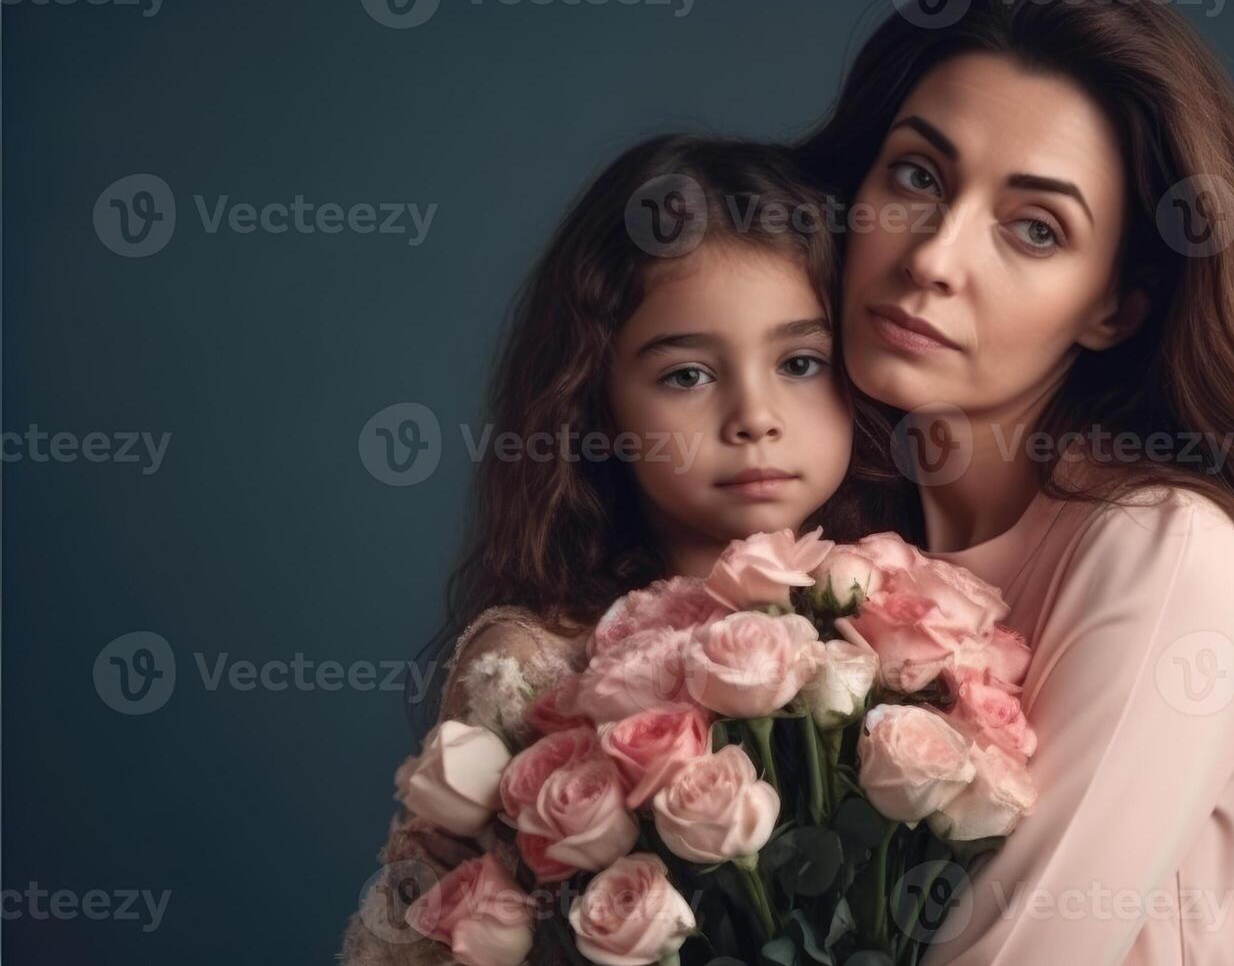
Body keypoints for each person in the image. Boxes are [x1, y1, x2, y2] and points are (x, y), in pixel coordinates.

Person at [794, 0, 1234, 962]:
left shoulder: (1162, 553)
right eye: (916, 174)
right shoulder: (830, 537)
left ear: (1115, 307)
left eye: (1034, 228)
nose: (931, 257)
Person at [338, 133, 901, 965]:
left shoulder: (888, 626)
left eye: (799, 361)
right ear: (594, 404)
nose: (754, 414)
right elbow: (426, 938)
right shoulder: (531, 661)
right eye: (686, 375)